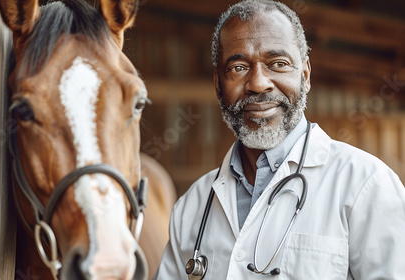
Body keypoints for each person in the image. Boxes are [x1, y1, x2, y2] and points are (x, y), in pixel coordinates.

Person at [154, 0, 405, 279]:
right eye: (238, 67)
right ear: (217, 83)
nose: (259, 83)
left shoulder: (366, 185)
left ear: (305, 75)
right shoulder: (193, 206)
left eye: (278, 64)